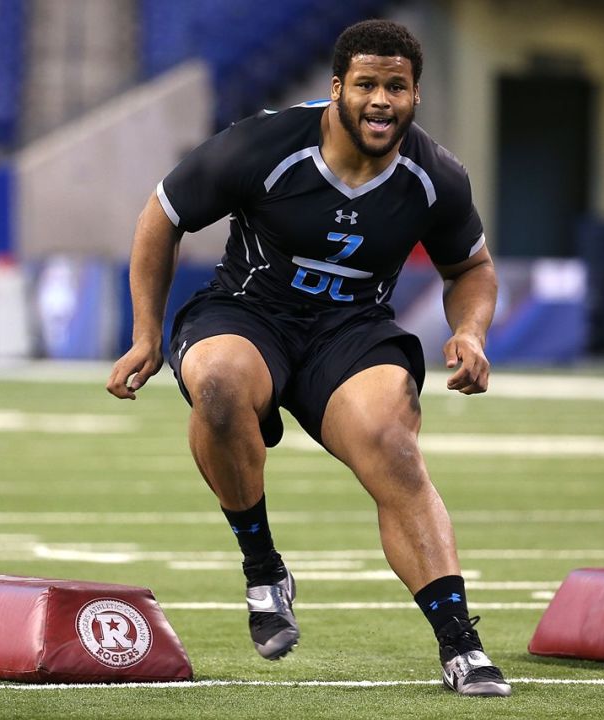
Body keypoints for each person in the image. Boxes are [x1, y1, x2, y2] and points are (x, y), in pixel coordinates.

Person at [107, 20, 508, 696]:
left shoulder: (435, 174)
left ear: (416, 96)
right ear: (336, 90)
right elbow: (161, 215)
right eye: (367, 86)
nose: (381, 101)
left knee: (394, 446)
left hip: (350, 332)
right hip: (248, 312)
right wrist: (146, 335)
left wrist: (470, 333)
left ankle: (459, 643)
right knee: (220, 385)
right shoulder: (264, 144)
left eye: (397, 88)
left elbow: (471, 266)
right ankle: (264, 571)